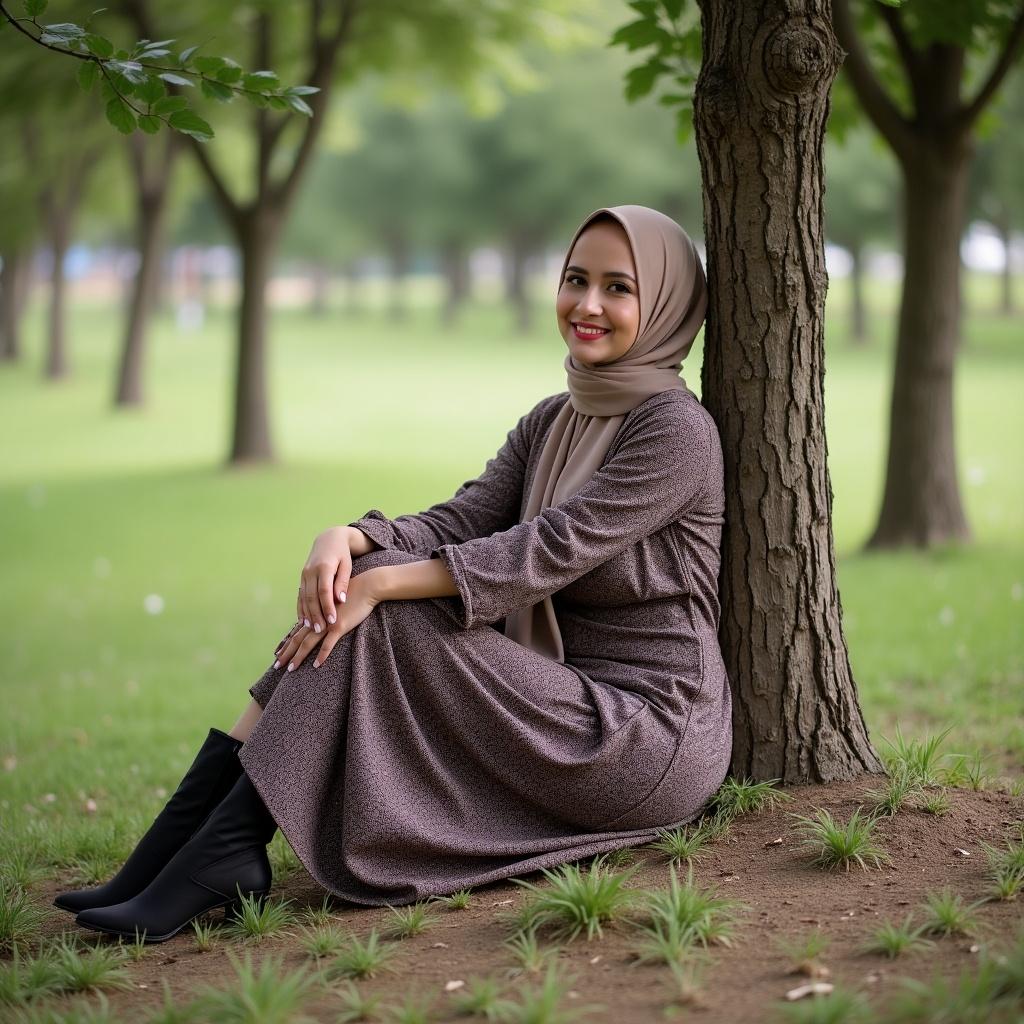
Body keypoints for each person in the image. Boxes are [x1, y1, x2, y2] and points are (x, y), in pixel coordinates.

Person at [55, 204, 732, 943]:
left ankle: (215, 850)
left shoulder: (674, 430)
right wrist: (348, 538)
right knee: (362, 589)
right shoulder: (555, 417)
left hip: (647, 732)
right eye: (576, 279)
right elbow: (458, 520)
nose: (588, 304)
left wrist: (378, 582)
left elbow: (546, 549)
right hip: (562, 698)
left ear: (665, 304)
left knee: (385, 605)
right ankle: (187, 848)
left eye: (619, 288)